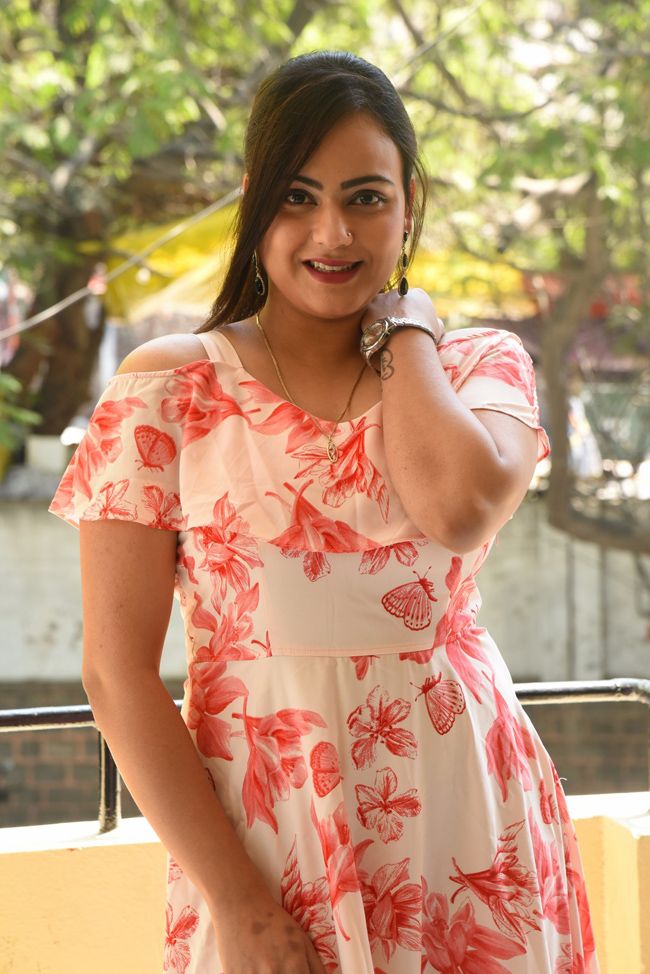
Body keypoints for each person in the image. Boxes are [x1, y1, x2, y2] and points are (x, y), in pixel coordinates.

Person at [48, 50, 599, 974]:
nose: (332, 232)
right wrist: (239, 904)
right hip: (270, 840)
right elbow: (116, 674)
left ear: (409, 204)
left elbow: (459, 508)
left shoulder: (476, 367)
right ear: (254, 204)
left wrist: (406, 327)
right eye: (298, 197)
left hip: (470, 827)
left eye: (366, 197)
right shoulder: (169, 392)